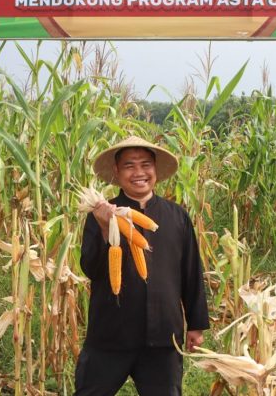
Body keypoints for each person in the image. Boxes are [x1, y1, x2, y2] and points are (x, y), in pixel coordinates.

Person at [75, 135, 209, 396]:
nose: (139, 172)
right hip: (111, 333)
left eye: (145, 164)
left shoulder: (177, 216)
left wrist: (196, 323)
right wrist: (104, 228)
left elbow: (191, 272)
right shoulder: (102, 214)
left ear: (155, 169)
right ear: (116, 171)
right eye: (129, 165)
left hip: (163, 337)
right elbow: (90, 269)